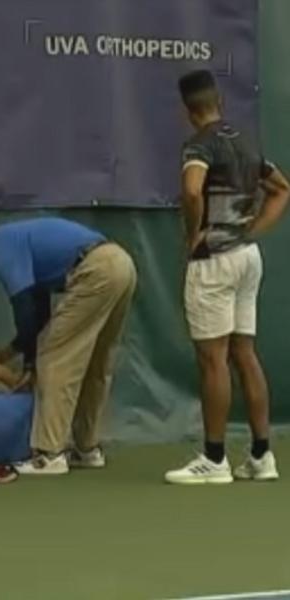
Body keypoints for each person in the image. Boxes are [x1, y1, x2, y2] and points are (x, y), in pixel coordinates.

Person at [165, 70, 290, 485]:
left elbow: (192, 190)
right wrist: (253, 229)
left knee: (212, 359)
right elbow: (281, 188)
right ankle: (261, 455)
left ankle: (215, 459)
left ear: (187, 111)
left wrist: (193, 234)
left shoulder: (198, 144)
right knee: (244, 353)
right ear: (219, 101)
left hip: (214, 261)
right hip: (247, 257)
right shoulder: (246, 142)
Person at [0, 216, 136, 475]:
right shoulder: (16, 238)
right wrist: (16, 352)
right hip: (120, 263)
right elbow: (39, 311)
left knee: (53, 359)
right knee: (96, 362)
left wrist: (31, 362)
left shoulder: (0, 247)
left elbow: (24, 309)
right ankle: (87, 449)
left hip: (95, 271)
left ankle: (49, 455)